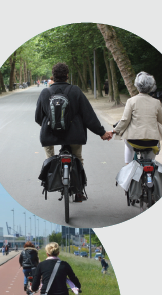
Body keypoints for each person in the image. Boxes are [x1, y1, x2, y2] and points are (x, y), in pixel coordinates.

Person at [36, 62, 112, 198]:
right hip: (74, 135)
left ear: (53, 76)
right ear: (67, 75)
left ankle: (53, 180)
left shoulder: (45, 93)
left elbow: (38, 118)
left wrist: (49, 126)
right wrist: (102, 133)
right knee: (77, 159)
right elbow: (88, 116)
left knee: (50, 157)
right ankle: (78, 191)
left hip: (50, 136)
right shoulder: (75, 91)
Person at [109, 72, 162, 165]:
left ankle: (128, 165)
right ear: (151, 86)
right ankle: (151, 168)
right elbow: (160, 121)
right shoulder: (156, 102)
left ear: (137, 85)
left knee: (127, 144)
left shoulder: (131, 101)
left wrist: (114, 131)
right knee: (151, 161)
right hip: (152, 141)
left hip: (134, 141)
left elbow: (125, 121)